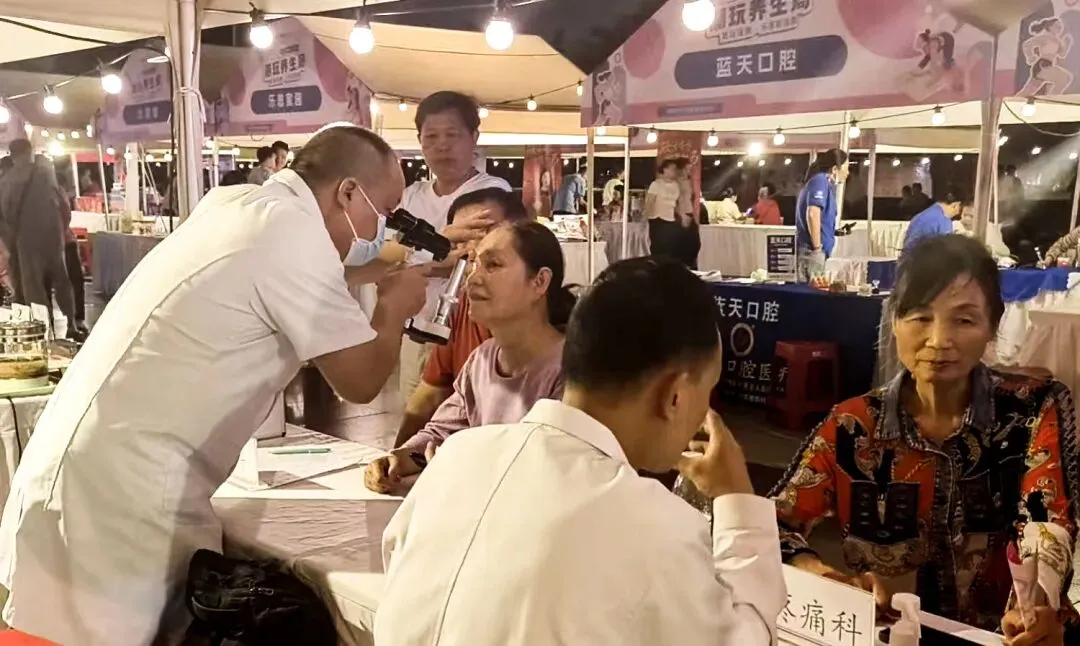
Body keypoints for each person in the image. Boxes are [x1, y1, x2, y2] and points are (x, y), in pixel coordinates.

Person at [0, 126, 434, 645]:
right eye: (385, 213)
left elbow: (331, 275)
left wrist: (409, 264)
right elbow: (360, 382)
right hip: (117, 496)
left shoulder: (245, 207)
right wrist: (393, 309)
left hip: (94, 467)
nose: (384, 230)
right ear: (347, 193)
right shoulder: (290, 236)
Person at [375, 257, 785, 644]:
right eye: (706, 390)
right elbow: (746, 637)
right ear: (675, 396)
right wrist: (737, 499)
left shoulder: (457, 456)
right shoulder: (653, 526)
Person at [771, 234, 1078, 637]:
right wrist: (820, 573)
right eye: (920, 317)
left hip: (1007, 636)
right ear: (894, 322)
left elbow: (1047, 520)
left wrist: (1036, 601)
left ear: (992, 326)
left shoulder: (1031, 409)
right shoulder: (853, 425)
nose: (938, 341)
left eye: (964, 320)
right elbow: (773, 523)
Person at [366, 220, 572, 493]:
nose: (472, 279)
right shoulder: (482, 360)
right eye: (473, 264)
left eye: (493, 265)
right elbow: (440, 433)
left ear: (540, 281)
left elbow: (551, 467)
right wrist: (398, 459)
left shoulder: (570, 369)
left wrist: (464, 462)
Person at [394, 91, 511, 403]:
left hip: (470, 333)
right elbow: (388, 257)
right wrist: (434, 256)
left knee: (469, 415)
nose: (442, 145)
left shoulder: (490, 193)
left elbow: (470, 260)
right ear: (420, 142)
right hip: (416, 331)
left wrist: (412, 262)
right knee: (414, 415)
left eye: (452, 134)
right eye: (431, 136)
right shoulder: (410, 196)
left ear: (474, 137)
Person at [392, 188, 531, 448]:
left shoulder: (554, 338)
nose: (475, 252)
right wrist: (397, 454)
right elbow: (430, 395)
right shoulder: (464, 307)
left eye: (484, 233)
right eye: (463, 239)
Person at [0, 142, 77, 330]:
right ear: (30, 151)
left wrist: (10, 244)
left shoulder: (8, 181)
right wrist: (60, 231)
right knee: (62, 281)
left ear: (13, 155)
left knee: (34, 289)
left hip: (26, 243)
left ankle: (45, 329)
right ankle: (72, 324)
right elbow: (64, 205)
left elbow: (7, 214)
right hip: (54, 238)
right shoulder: (47, 173)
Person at [795, 148, 848, 283]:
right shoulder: (820, 181)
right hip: (812, 252)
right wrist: (818, 248)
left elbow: (819, 219)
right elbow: (812, 214)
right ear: (835, 169)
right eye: (846, 168)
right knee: (812, 291)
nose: (847, 173)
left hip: (815, 252)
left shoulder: (823, 184)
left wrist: (834, 232)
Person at [901, 190, 965, 253]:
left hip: (907, 256)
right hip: (923, 258)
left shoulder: (921, 215)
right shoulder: (943, 219)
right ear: (955, 205)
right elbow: (947, 250)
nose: (958, 214)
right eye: (960, 210)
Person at [645, 158, 682, 259]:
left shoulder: (676, 185)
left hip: (671, 218)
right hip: (658, 218)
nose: (674, 171)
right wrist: (648, 216)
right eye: (672, 169)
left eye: (675, 169)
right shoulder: (656, 184)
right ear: (664, 169)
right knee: (658, 246)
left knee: (670, 246)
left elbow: (677, 202)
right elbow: (649, 201)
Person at [674, 158, 701, 269]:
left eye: (690, 169)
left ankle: (690, 266)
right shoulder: (675, 182)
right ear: (680, 169)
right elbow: (675, 200)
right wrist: (681, 215)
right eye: (686, 169)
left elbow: (691, 198)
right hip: (681, 214)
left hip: (689, 212)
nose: (688, 172)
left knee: (695, 243)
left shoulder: (688, 181)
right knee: (685, 244)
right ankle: (683, 266)